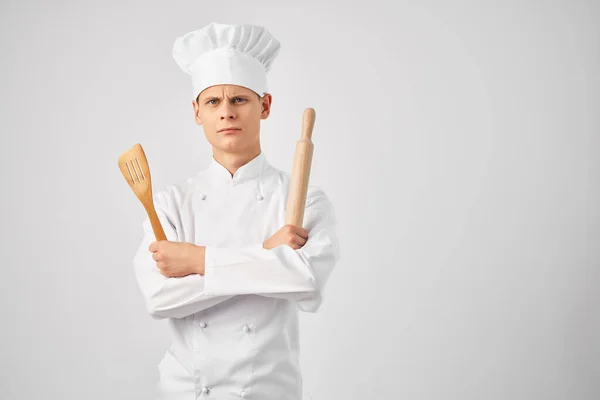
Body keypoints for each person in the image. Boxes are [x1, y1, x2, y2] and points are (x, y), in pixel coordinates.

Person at [131, 22, 340, 399]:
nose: (226, 112)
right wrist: (267, 256)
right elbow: (160, 299)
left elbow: (305, 283)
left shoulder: (303, 198)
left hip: (266, 391)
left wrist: (196, 260)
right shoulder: (169, 204)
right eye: (213, 102)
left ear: (265, 106)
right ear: (197, 112)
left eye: (239, 100)